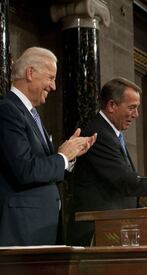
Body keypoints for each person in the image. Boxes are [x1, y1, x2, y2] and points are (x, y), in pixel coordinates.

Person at [67, 77, 147, 246]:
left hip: (109, 231)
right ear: (112, 105)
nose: (136, 115)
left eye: (137, 108)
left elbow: (118, 191)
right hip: (95, 234)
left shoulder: (112, 134)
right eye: (132, 108)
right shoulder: (99, 134)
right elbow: (125, 181)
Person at [0, 47, 96, 245]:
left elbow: (43, 168)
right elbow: (26, 170)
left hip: (40, 226)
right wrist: (61, 157)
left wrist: (70, 157)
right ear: (30, 73)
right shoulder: (8, 111)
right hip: (22, 228)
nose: (53, 86)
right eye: (51, 77)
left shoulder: (31, 114)